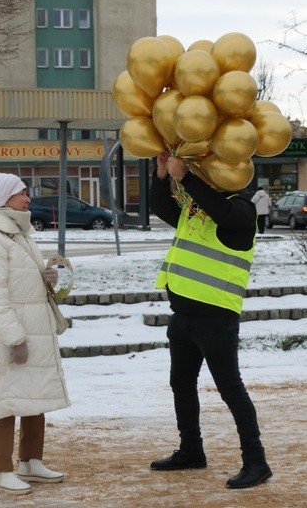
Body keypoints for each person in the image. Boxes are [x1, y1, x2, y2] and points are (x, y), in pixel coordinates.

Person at [149, 152, 272, 489]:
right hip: (184, 316)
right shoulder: (198, 208)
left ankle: (257, 463)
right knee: (182, 385)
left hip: (216, 318)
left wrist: (187, 177)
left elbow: (221, 210)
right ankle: (191, 450)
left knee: (231, 389)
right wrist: (162, 175)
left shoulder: (242, 209)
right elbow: (161, 209)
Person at [0, 172, 70, 496]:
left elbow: (20, 279)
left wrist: (46, 276)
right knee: (5, 400)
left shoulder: (18, 233)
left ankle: (30, 461)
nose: (28, 198)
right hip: (10, 334)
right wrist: (14, 337)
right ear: (2, 199)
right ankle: (1, 469)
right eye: (21, 193)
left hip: (31, 329)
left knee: (32, 394)